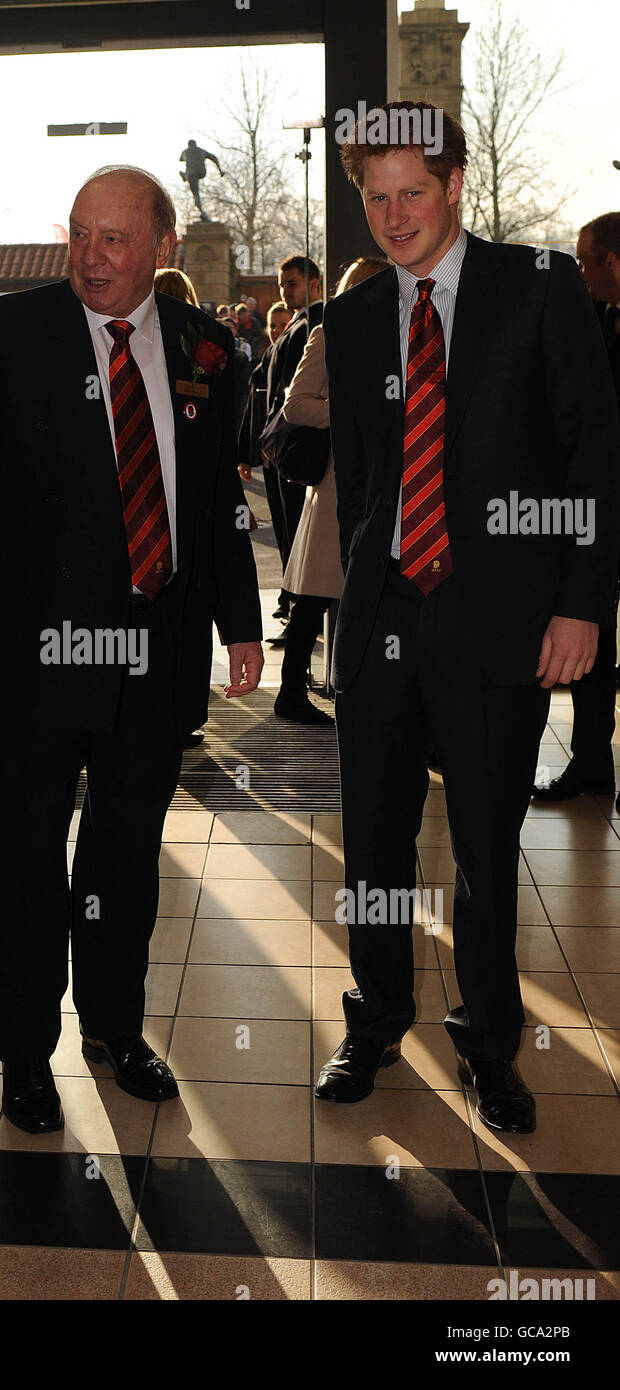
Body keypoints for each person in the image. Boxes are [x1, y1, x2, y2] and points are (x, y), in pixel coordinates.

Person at [0, 164, 263, 1135]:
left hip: (152, 661)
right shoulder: (5, 335)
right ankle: (23, 1054)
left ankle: (115, 1027)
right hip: (30, 658)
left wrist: (238, 622)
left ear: (160, 248)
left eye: (113, 239)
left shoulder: (205, 348)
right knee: (26, 861)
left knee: (124, 855)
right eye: (78, 234)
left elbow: (214, 504)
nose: (90, 256)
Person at [315, 101, 619, 1136]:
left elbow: (590, 456)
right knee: (372, 850)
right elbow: (360, 482)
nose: (392, 216)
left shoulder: (535, 292)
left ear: (453, 185)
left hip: (496, 624)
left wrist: (580, 608)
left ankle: (489, 1044)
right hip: (383, 619)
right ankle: (373, 1016)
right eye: (374, 196)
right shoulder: (352, 319)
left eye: (411, 191)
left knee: (486, 853)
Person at [274, 257, 389, 726]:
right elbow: (296, 406)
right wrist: (356, 411)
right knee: (317, 593)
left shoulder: (405, 335)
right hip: (338, 482)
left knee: (365, 593)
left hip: (386, 480)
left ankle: (362, 691)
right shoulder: (327, 334)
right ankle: (290, 691)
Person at [533, 212, 620, 805]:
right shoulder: (601, 320)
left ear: (612, 261)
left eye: (588, 260)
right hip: (601, 515)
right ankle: (591, 762)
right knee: (594, 627)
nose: (582, 271)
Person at [238, 256, 323, 625]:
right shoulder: (296, 326)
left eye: (292, 283)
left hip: (298, 448)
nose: (284, 290)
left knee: (298, 542)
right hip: (280, 449)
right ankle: (291, 606)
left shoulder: (314, 325)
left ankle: (295, 609)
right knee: (290, 538)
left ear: (315, 283)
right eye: (281, 284)